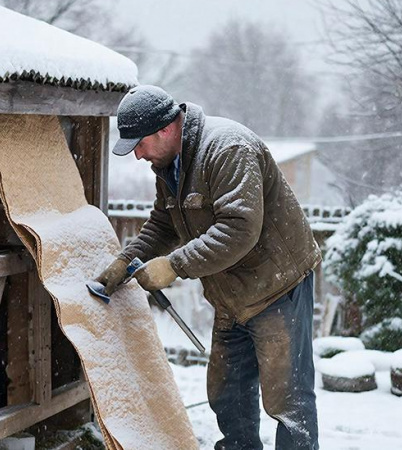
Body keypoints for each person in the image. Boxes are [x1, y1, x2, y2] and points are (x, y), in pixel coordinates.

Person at [94, 85, 321, 449]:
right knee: (228, 398)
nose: (137, 155)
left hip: (277, 289)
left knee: (287, 404)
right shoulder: (168, 164)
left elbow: (240, 228)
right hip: (230, 295)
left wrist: (173, 265)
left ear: (165, 129)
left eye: (139, 144)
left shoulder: (228, 149)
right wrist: (126, 260)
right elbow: (163, 223)